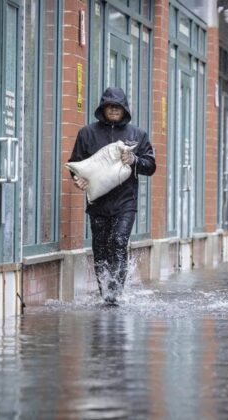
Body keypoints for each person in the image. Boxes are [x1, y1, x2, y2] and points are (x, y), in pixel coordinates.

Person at [68, 87, 156, 305]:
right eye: (110, 106)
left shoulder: (137, 135)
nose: (114, 110)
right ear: (103, 108)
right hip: (98, 203)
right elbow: (76, 164)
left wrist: (135, 160)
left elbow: (151, 166)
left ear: (124, 108)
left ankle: (116, 293)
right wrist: (77, 179)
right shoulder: (87, 133)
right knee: (100, 249)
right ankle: (104, 293)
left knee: (118, 241)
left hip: (125, 202)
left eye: (118, 106)